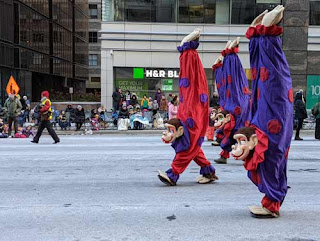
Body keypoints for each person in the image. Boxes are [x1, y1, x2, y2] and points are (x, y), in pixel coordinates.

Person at [158, 29, 217, 186]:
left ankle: (173, 174)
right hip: (190, 112)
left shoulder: (193, 92)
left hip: (192, 114)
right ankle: (208, 170)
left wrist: (187, 46)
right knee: (193, 146)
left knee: (187, 145)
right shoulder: (192, 88)